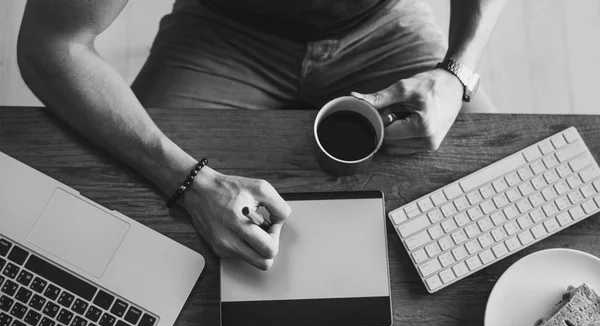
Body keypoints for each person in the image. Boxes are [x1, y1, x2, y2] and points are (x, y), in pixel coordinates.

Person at [17, 0, 506, 270]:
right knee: (137, 243)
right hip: (222, 31)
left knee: (490, 205)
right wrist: (189, 182)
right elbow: (52, 45)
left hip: (383, 23)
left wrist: (456, 73)